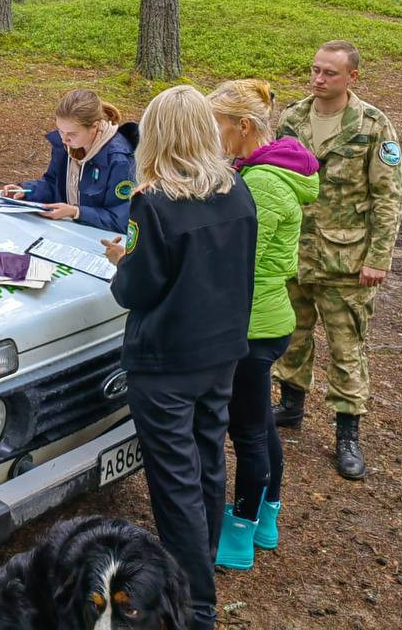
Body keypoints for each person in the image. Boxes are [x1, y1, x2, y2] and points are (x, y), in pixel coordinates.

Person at [101, 85, 256, 630]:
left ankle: (194, 607)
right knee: (208, 458)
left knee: (174, 482)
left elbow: (136, 290)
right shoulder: (237, 189)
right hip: (221, 352)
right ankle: (203, 569)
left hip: (166, 361)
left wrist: (124, 260)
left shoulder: (155, 202)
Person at [272, 41, 402, 481]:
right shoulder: (291, 118)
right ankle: (291, 404)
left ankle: (347, 433)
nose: (318, 78)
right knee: (292, 333)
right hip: (295, 252)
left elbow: (388, 197)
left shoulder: (371, 125)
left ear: (352, 77)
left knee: (347, 350)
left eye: (329, 72)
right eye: (314, 70)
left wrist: (378, 257)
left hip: (347, 261)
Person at [207, 80, 319, 570]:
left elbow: (241, 260)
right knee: (260, 423)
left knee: (247, 431)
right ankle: (268, 515)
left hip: (253, 324)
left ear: (243, 127)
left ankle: (240, 530)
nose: (214, 135)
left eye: (218, 126)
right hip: (262, 318)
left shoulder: (266, 184)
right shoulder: (258, 171)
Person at [0, 88, 138, 233]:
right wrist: (26, 191)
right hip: (68, 231)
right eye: (60, 130)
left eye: (72, 133)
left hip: (102, 242)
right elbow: (53, 183)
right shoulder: (67, 145)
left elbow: (123, 219)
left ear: (95, 126)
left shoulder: (119, 160)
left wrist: (76, 212)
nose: (64, 139)